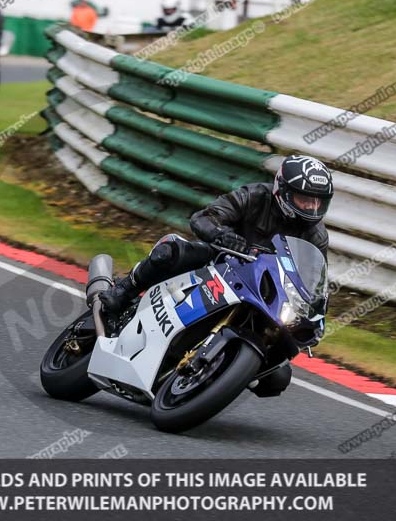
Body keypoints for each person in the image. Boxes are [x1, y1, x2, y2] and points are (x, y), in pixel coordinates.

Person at [100, 155, 333, 394]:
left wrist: (316, 304)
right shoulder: (255, 196)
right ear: (282, 190)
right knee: (168, 253)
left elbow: (315, 277)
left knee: (277, 378)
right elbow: (204, 218)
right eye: (304, 199)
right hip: (223, 261)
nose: (311, 208)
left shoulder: (316, 235)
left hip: (264, 291)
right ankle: (124, 289)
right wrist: (221, 234)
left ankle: (218, 376)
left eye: (317, 202)